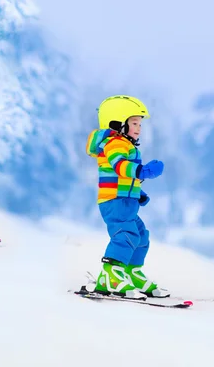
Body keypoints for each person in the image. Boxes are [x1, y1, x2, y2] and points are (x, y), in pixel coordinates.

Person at [85, 95, 169, 299]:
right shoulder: (114, 143)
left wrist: (137, 193)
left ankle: (131, 272)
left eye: (139, 124)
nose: (138, 128)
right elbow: (120, 166)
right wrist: (143, 171)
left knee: (141, 236)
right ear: (117, 123)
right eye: (134, 123)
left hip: (125, 201)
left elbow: (120, 178)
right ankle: (111, 274)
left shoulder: (124, 143)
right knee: (126, 235)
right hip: (114, 202)